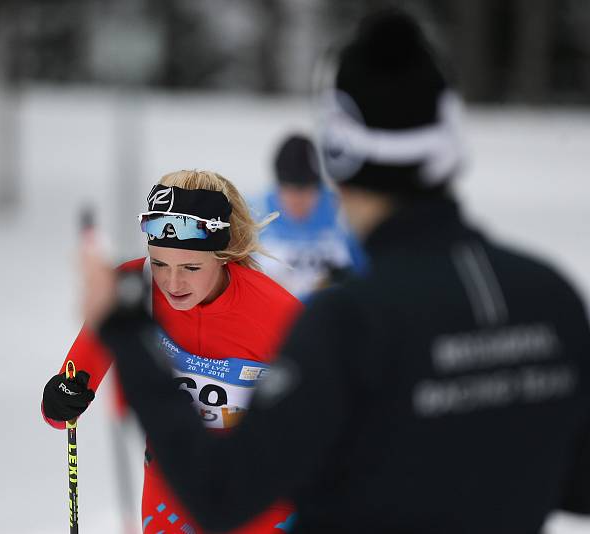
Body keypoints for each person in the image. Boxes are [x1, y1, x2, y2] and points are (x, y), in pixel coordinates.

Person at [83, 10, 590, 534]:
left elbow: (222, 492)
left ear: (338, 157)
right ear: (450, 143)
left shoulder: (346, 325)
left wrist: (126, 332)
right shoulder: (549, 296)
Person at [42, 170, 303, 533]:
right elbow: (63, 400)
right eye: (160, 263)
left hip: (259, 493)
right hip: (172, 488)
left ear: (222, 255)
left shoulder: (278, 312)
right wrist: (61, 399)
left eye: (191, 267)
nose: (172, 283)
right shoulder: (130, 294)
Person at [253, 134, 365, 300]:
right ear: (278, 185)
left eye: (305, 190)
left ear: (317, 186)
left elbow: (367, 273)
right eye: (289, 190)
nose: (297, 200)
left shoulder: (345, 214)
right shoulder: (254, 215)